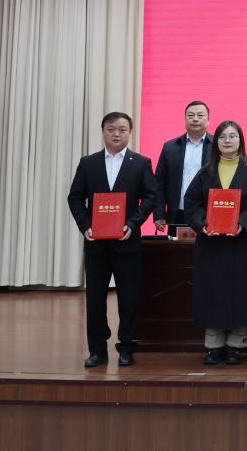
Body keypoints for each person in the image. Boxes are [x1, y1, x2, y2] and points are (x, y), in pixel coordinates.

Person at [66, 112, 157, 368]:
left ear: (130, 132)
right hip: (96, 244)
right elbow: (75, 197)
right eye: (111, 129)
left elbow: (151, 196)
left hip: (127, 242)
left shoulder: (141, 163)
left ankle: (126, 348)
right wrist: (86, 226)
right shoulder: (89, 162)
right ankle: (97, 349)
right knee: (95, 299)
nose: (116, 134)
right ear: (103, 131)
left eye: (122, 129)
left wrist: (133, 223)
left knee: (128, 299)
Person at [183, 120, 247, 366]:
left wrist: (242, 223)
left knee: (242, 293)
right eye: (223, 137)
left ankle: (236, 346)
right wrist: (202, 224)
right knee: (213, 293)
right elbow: (191, 203)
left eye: (233, 136)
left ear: (240, 140)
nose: (228, 141)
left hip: (244, 243)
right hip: (212, 245)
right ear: (217, 142)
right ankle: (213, 347)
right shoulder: (206, 172)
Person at [153, 100, 213, 236]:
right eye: (191, 116)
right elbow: (159, 183)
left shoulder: (217, 146)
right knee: (177, 249)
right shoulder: (170, 147)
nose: (195, 119)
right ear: (185, 120)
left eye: (200, 115)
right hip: (177, 213)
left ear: (208, 120)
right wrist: (159, 214)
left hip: (207, 214)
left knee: (206, 248)